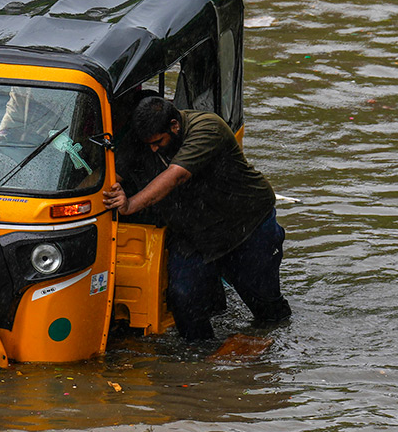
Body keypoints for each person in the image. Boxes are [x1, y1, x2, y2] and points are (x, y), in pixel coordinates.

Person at [103, 96, 291, 341]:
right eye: (148, 144)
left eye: (159, 142)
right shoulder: (145, 139)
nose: (153, 149)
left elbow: (176, 176)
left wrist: (129, 205)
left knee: (265, 305)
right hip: (193, 232)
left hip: (245, 226)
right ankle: (201, 362)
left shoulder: (207, 127)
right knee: (183, 297)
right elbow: (113, 176)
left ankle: (278, 348)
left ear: (174, 126)